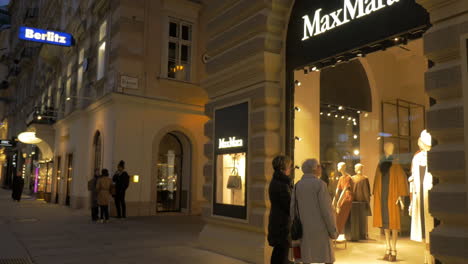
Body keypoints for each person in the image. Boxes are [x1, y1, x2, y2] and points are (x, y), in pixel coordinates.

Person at [291, 159, 338, 264]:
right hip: (321, 230)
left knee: (306, 257)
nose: (321, 168)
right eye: (319, 166)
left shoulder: (298, 185)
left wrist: (294, 223)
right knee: (326, 257)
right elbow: (326, 210)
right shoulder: (320, 185)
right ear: (314, 169)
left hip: (303, 229)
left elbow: (293, 208)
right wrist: (333, 230)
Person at [268, 155, 293, 264]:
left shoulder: (277, 181)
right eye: (289, 166)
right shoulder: (282, 184)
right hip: (282, 224)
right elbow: (288, 205)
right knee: (281, 253)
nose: (290, 169)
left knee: (279, 252)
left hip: (278, 221)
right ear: (283, 168)